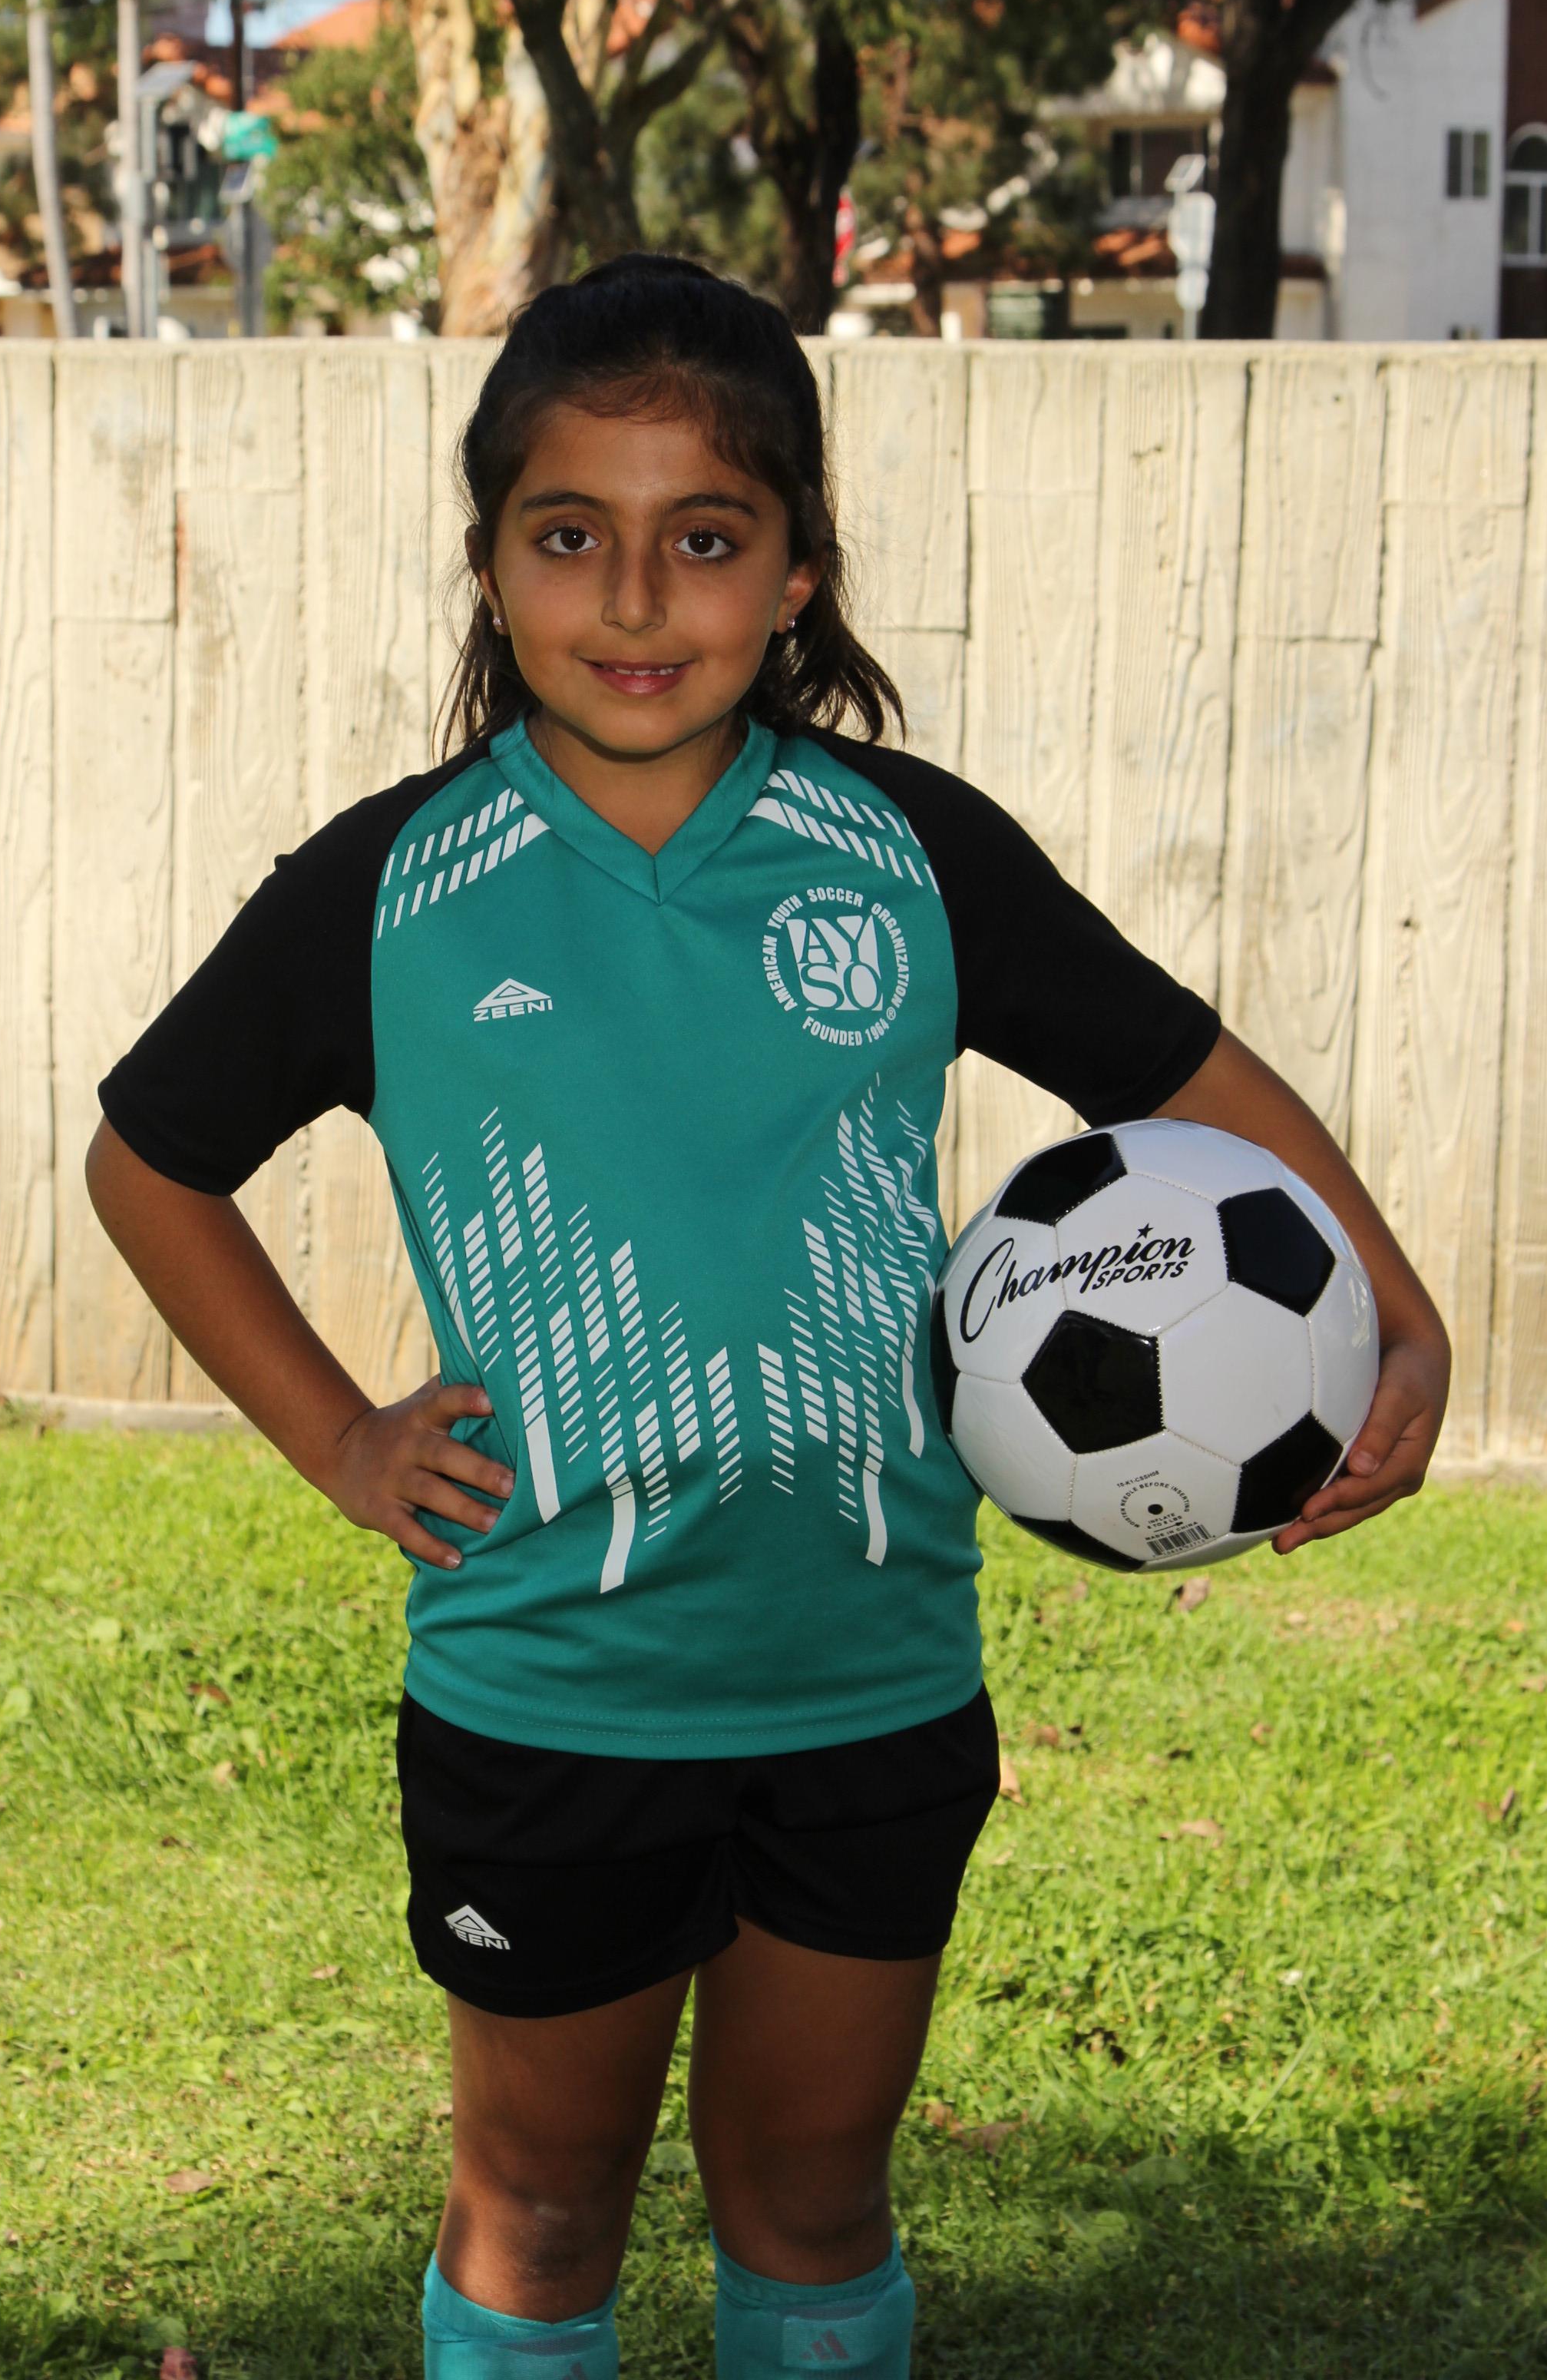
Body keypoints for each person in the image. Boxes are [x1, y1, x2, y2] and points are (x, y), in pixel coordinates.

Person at [88, 255, 1449, 2380]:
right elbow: (149, 1163)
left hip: (869, 1678)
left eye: (705, 539)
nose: (637, 600)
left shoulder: (910, 854)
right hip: (554, 1687)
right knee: (542, 2210)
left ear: (799, 569)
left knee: (814, 2205)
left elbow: (1189, 1078)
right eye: (572, 536)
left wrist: (1396, 1309)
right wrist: (344, 1439)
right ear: (490, 562)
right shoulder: (392, 886)